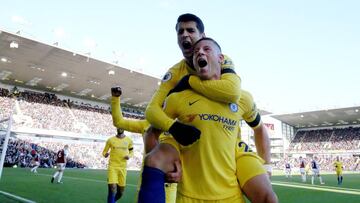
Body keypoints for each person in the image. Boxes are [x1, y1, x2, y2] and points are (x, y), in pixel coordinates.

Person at [139, 38, 277, 203]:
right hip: (189, 197)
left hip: (230, 195)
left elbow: (260, 128)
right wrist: (160, 170)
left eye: (206, 49)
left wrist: (267, 165)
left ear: (221, 59)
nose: (200, 53)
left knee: (269, 199)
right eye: (196, 52)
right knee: (153, 159)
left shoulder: (242, 98)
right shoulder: (178, 98)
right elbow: (151, 133)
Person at [144, 13, 271, 173]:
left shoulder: (221, 59)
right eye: (180, 32)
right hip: (193, 149)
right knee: (154, 151)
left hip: (229, 148)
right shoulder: (175, 72)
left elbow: (232, 92)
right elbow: (151, 110)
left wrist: (189, 81)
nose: (184, 34)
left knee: (266, 195)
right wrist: (174, 127)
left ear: (202, 36)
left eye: (190, 30)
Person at [110, 86, 179, 203]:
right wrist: (115, 99)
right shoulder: (147, 124)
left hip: (171, 187)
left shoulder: (179, 126)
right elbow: (119, 122)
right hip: (148, 183)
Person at [102, 128, 133, 203]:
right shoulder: (110, 140)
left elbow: (131, 151)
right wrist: (105, 154)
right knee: (112, 188)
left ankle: (113, 201)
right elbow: (104, 151)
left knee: (121, 192)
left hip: (123, 167)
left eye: (121, 126)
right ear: (116, 128)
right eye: (118, 126)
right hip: (112, 166)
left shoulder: (129, 140)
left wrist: (129, 156)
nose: (120, 128)